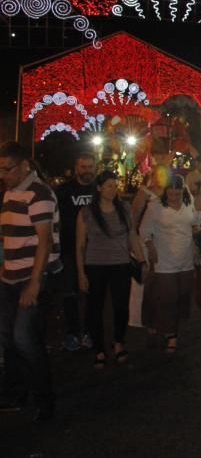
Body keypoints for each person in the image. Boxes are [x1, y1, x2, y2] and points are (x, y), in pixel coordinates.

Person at [0, 141, 62, 421]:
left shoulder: (39, 193)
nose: (3, 174)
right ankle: (16, 393)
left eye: (8, 169)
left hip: (32, 276)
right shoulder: (10, 192)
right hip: (9, 276)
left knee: (24, 339)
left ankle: (44, 400)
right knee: (9, 340)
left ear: (24, 165)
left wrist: (34, 284)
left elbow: (45, 241)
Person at [76, 171, 143, 367]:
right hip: (95, 264)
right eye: (108, 186)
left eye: (115, 186)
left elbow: (132, 236)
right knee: (94, 308)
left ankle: (118, 342)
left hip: (120, 264)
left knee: (121, 306)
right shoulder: (87, 212)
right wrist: (81, 273)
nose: (113, 190)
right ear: (98, 188)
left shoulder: (124, 208)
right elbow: (79, 245)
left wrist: (142, 260)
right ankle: (98, 348)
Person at [140, 175, 201, 352]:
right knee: (169, 297)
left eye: (178, 193)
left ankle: (168, 324)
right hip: (164, 259)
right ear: (165, 192)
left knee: (183, 294)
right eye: (171, 194)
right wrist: (150, 245)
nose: (174, 197)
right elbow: (144, 229)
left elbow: (194, 222)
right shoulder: (155, 207)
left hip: (185, 257)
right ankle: (170, 334)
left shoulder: (188, 203)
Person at [55, 151, 97, 351]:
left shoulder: (99, 189)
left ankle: (89, 331)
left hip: (95, 249)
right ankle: (72, 332)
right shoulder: (63, 191)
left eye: (90, 167)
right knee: (70, 292)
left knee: (92, 293)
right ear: (76, 167)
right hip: (70, 249)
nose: (87, 171)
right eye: (83, 167)